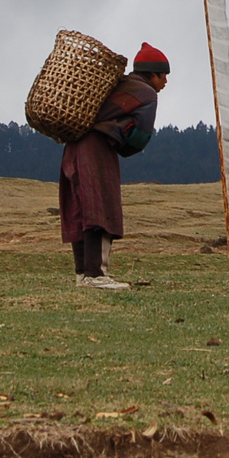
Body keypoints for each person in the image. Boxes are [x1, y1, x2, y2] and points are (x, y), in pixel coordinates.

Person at [60, 42, 168, 289]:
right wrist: (125, 148)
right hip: (97, 147)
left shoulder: (117, 84)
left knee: (81, 207)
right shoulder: (147, 93)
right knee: (100, 206)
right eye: (163, 75)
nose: (165, 82)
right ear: (152, 74)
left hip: (74, 144)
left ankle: (83, 274)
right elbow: (141, 135)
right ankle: (96, 275)